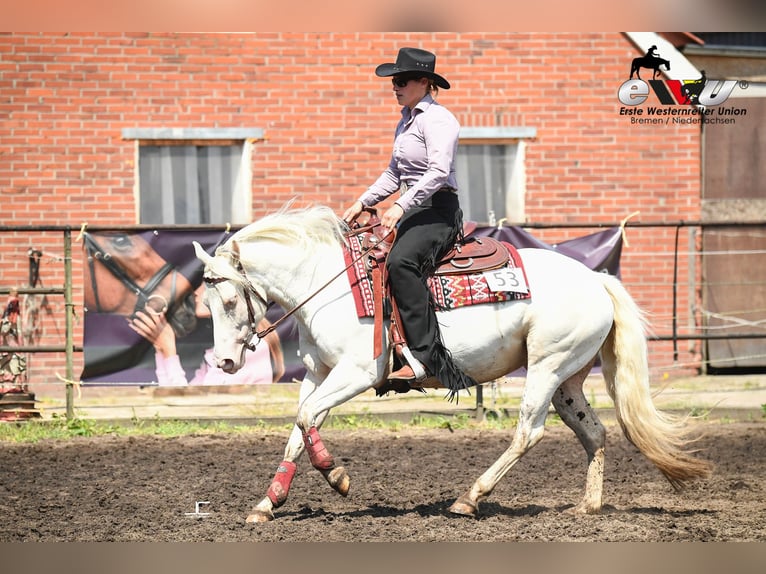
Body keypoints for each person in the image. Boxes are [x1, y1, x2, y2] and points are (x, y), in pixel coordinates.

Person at [342, 46, 477, 394]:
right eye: (394, 81)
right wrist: (362, 201)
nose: (394, 86)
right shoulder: (406, 120)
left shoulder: (439, 120)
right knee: (373, 259)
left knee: (401, 263)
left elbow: (437, 172)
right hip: (415, 208)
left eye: (401, 80)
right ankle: (393, 352)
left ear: (424, 82)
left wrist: (400, 206)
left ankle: (424, 359)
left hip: (438, 211)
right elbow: (393, 173)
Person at [128, 285, 285, 386]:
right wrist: (160, 346)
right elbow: (173, 401)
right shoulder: (222, 348)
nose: (194, 292)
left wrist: (169, 350)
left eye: (204, 283)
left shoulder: (247, 346)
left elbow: (192, 408)